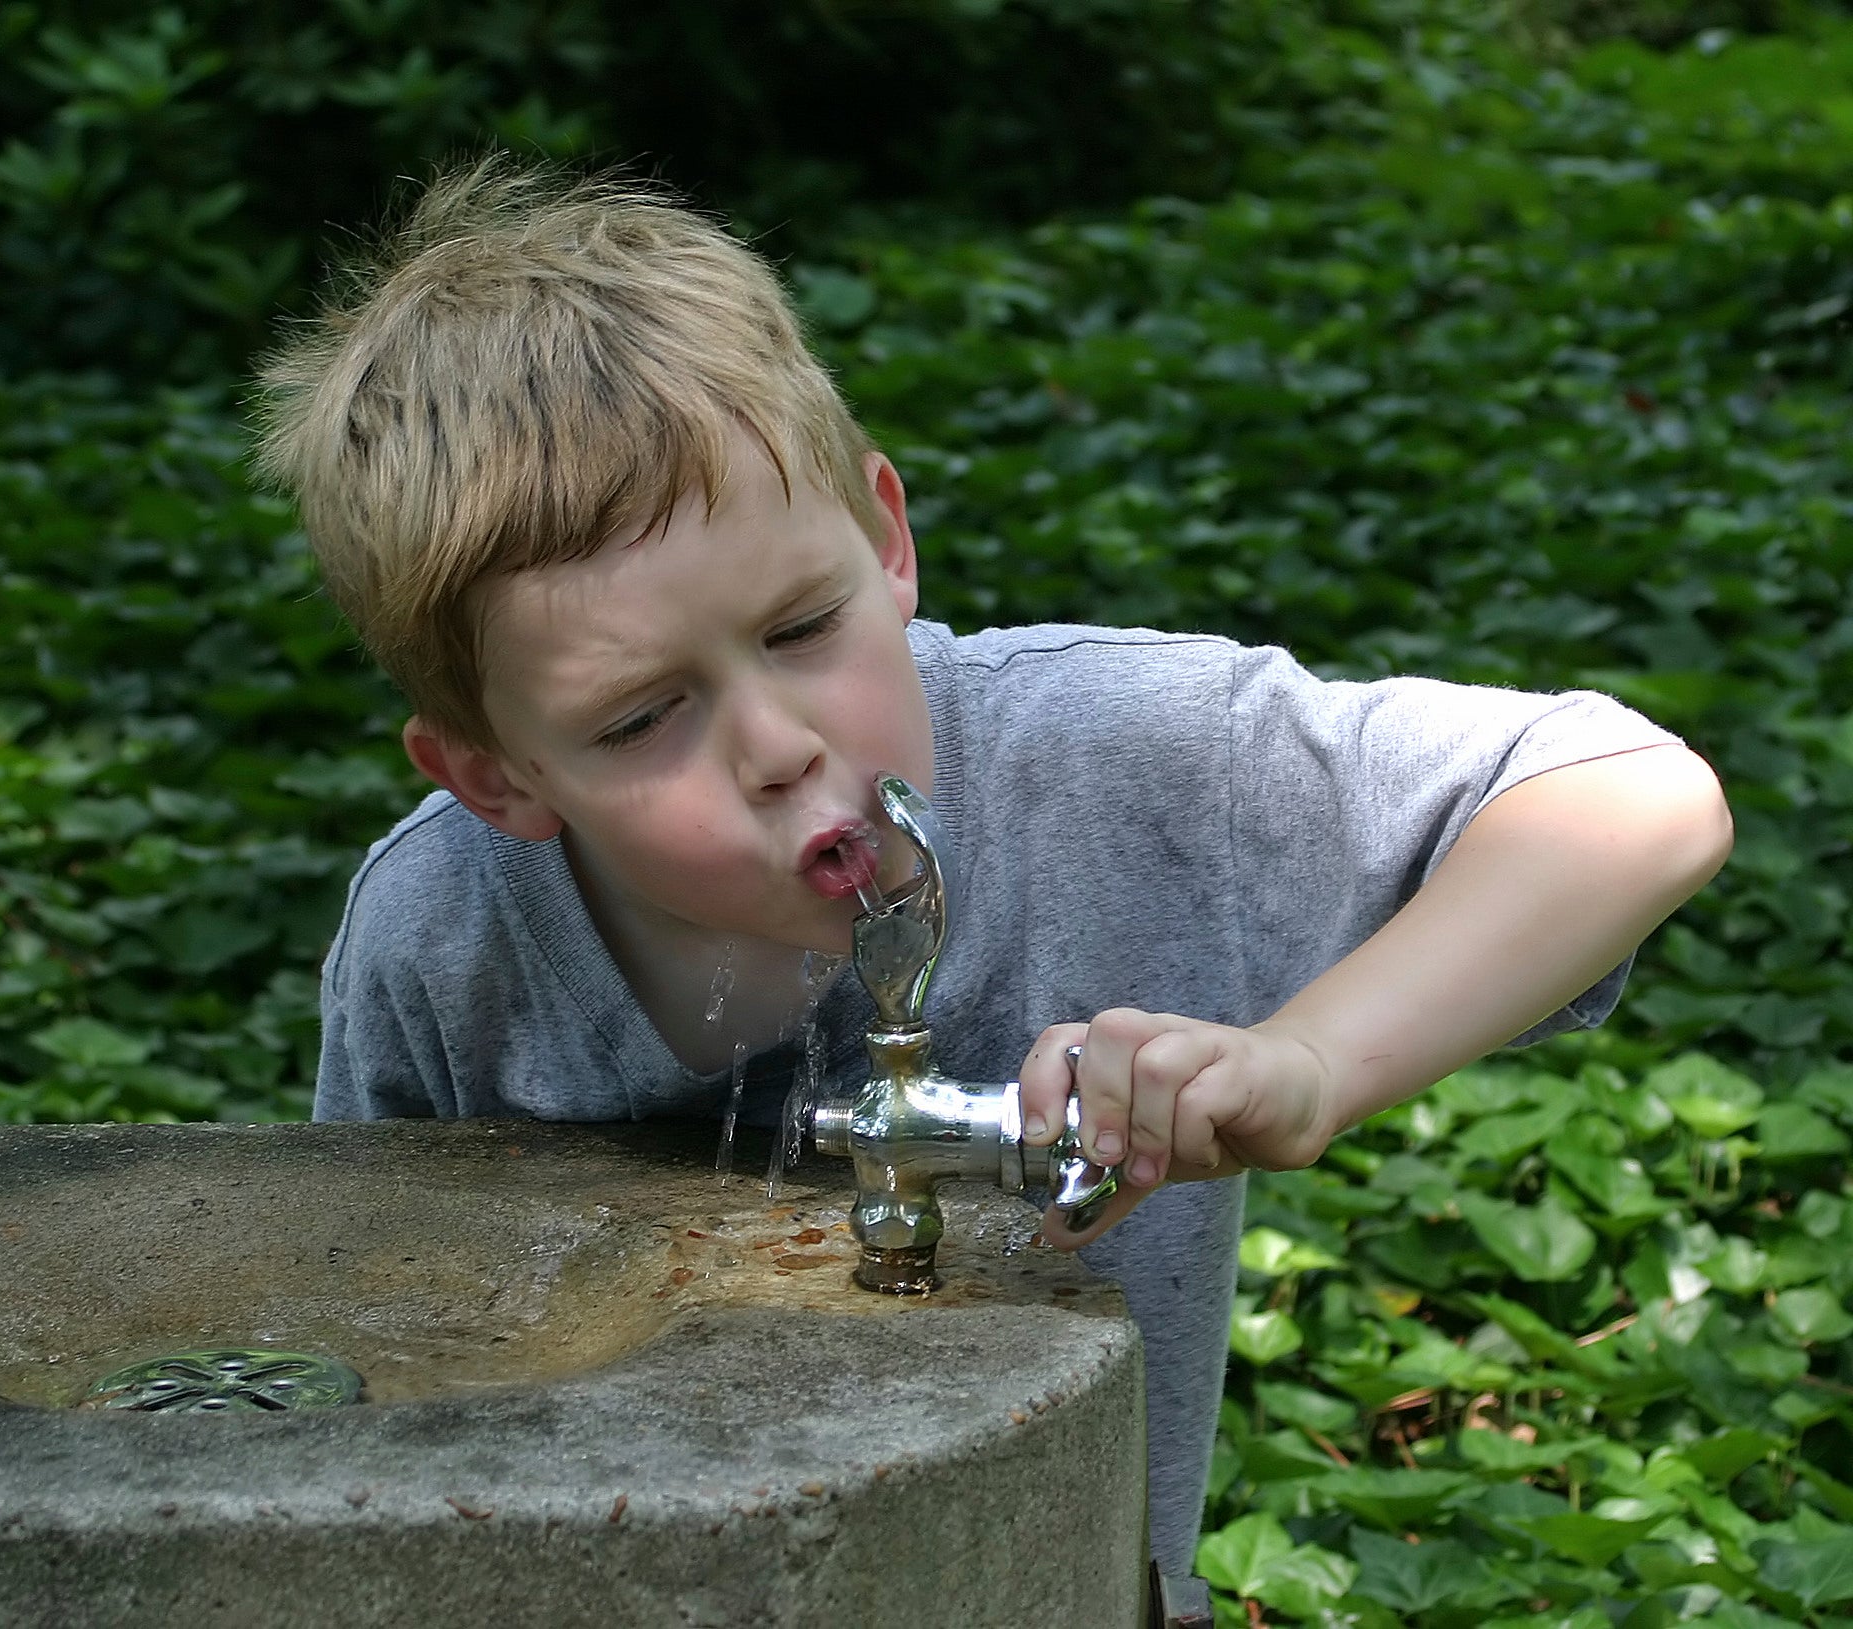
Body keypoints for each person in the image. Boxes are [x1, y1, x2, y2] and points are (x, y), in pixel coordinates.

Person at [250, 158, 1733, 1591]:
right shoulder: (444, 944)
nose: (779, 742)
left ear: (885, 540)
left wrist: (1309, 1060)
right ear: (497, 774)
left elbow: (1629, 794)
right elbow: (378, 1370)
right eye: (644, 718)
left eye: (799, 627)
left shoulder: (1111, 756)